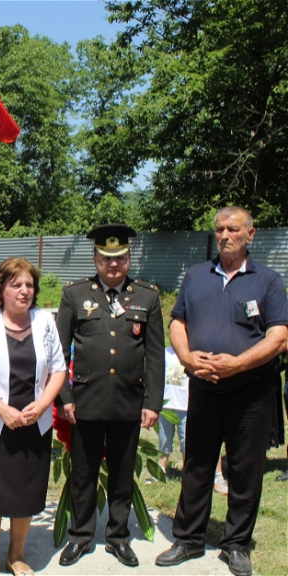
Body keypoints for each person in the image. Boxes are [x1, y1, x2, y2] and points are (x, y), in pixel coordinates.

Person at [155, 207, 288, 576]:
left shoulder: (269, 281)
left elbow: (279, 338)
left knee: (246, 469)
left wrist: (238, 363)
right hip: (204, 389)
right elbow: (178, 322)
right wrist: (185, 355)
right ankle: (188, 539)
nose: (225, 234)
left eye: (233, 229)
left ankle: (236, 545)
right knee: (197, 465)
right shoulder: (196, 276)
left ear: (251, 234)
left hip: (252, 393)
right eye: (219, 229)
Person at [56, 223, 165, 568]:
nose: (113, 265)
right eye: (106, 258)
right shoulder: (75, 294)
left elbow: (156, 355)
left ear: (129, 258)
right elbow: (59, 351)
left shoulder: (147, 296)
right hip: (85, 401)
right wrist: (65, 397)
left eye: (119, 258)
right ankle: (80, 537)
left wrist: (152, 403)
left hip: (128, 401)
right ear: (95, 258)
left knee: (121, 474)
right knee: (83, 474)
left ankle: (119, 538)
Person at [0, 257, 67, 576]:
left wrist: (43, 404)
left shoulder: (45, 322)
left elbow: (59, 369)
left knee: (27, 493)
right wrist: (3, 410)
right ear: (1, 288)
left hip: (35, 425)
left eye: (29, 285)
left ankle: (16, 554)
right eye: (16, 284)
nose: (24, 291)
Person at [151, 346, 228, 495]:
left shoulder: (195, 352)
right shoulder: (165, 352)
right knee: (164, 439)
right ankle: (160, 470)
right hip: (167, 406)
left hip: (186, 405)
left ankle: (192, 475)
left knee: (188, 443)